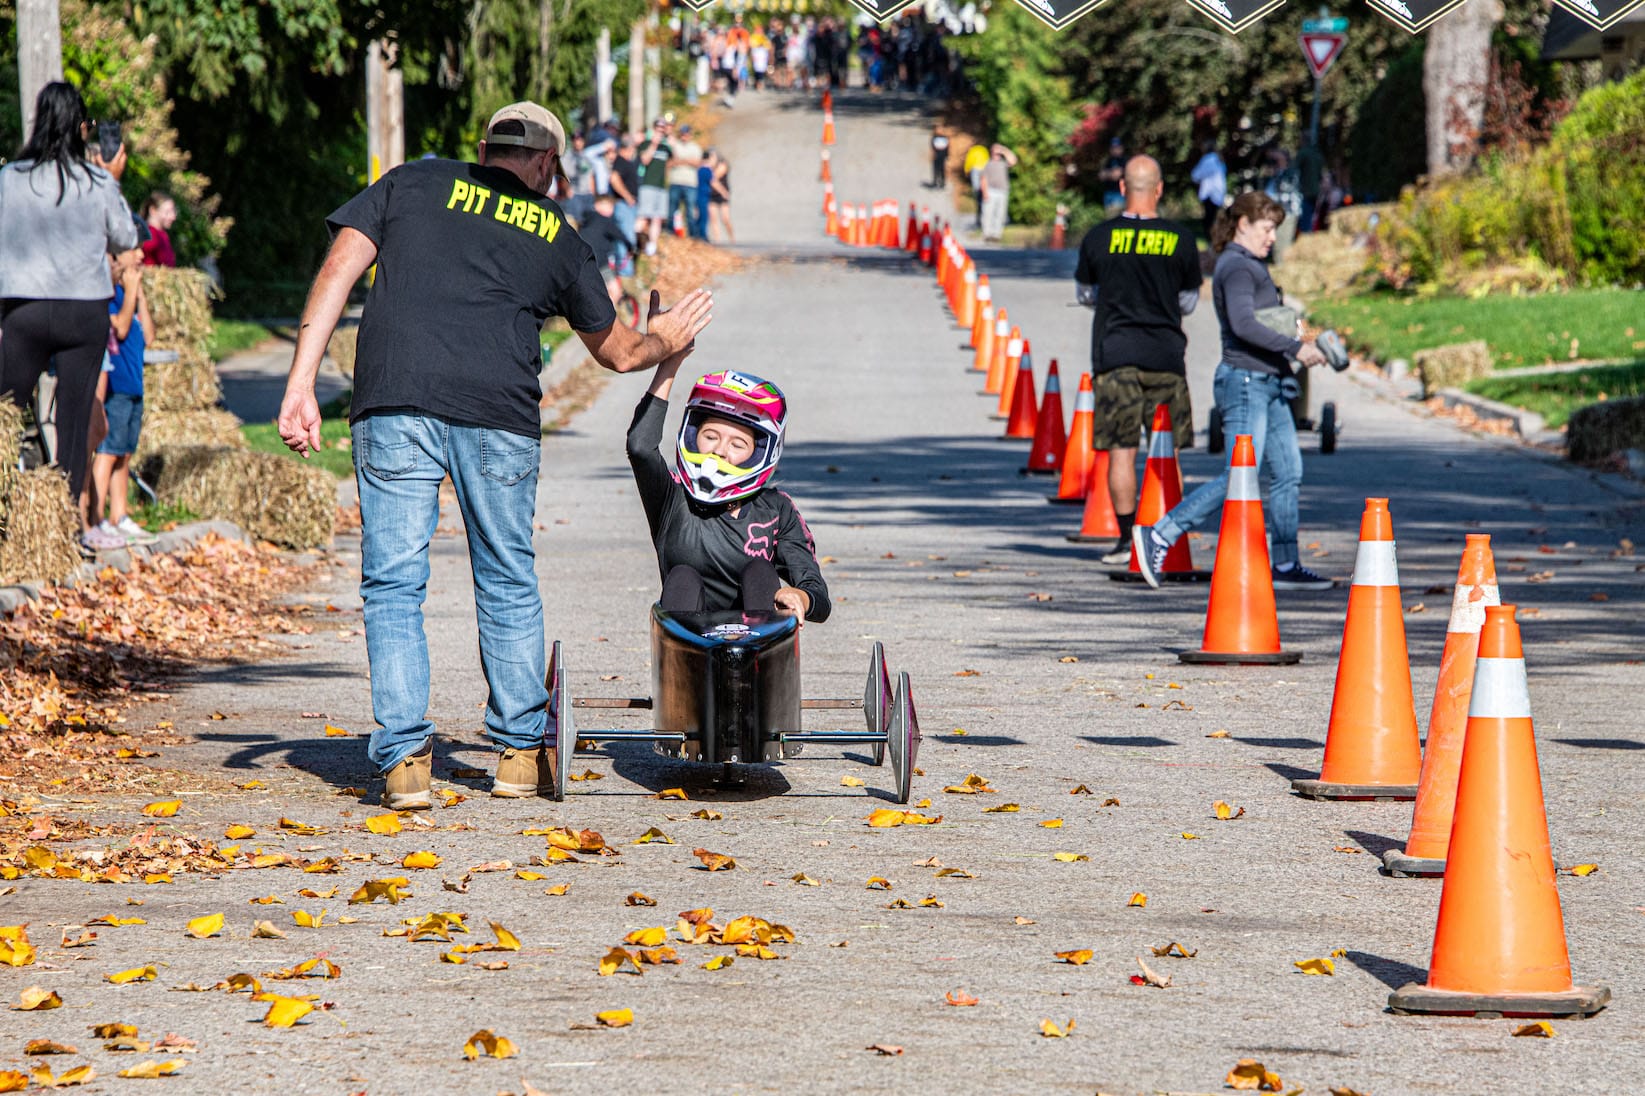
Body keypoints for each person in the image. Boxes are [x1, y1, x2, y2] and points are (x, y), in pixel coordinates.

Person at [276, 100, 713, 810]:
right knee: (506, 576)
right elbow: (618, 353)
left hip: (394, 399)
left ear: (485, 150)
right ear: (544, 162)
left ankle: (405, 765)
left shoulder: (410, 184)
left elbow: (337, 270)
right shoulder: (559, 235)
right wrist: (665, 340)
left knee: (392, 585)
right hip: (497, 416)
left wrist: (300, 383)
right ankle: (515, 755)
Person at [1133, 191, 1333, 592]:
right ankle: (1160, 533)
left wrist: (1304, 336)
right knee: (1239, 475)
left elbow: (1266, 321)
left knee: (1288, 471)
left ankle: (1285, 562)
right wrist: (1296, 348)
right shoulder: (1238, 267)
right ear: (1243, 224)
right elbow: (1243, 325)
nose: (1273, 236)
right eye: (1267, 228)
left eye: (1275, 228)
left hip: (1269, 382)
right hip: (1246, 383)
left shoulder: (1248, 266)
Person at [0, 82, 140, 549]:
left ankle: (5, 514)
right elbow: (124, 237)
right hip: (84, 311)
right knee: (75, 419)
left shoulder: (10, 177)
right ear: (82, 127)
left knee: (6, 413)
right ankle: (64, 528)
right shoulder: (96, 182)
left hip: (23, 307)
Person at [1073, 156, 1203, 566]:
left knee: (1122, 451)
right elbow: (1189, 301)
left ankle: (1129, 539)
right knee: (1168, 453)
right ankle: (1168, 538)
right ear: (1159, 189)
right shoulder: (1181, 240)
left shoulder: (1098, 237)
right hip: (1166, 355)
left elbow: (1085, 295)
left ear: (1123, 186)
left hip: (1116, 356)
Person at [628, 360, 829, 624]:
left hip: (757, 649)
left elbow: (817, 594)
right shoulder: (672, 498)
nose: (720, 450)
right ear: (693, 436)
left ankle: (757, 662)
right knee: (683, 578)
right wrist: (670, 363)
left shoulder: (775, 509)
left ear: (758, 454)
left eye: (737, 444)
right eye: (710, 436)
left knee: (760, 572)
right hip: (689, 647)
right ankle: (686, 662)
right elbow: (641, 448)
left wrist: (799, 597)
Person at [90, 246, 156, 546]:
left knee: (125, 452)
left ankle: (120, 515)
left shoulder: (129, 291)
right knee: (108, 452)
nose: (141, 255)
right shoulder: (109, 293)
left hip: (133, 384)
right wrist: (129, 293)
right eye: (135, 249)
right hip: (115, 383)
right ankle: (96, 518)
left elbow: (149, 336)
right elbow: (120, 329)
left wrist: (139, 294)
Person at [578, 191, 636, 309]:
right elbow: (620, 235)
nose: (612, 211)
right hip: (599, 262)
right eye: (610, 206)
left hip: (582, 262)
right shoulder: (604, 221)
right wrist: (631, 248)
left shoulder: (585, 222)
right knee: (615, 291)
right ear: (599, 205)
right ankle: (609, 324)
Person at [637, 115, 673, 256]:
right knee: (644, 216)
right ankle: (636, 243)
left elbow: (672, 160)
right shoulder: (646, 144)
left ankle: (652, 246)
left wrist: (671, 141)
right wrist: (654, 144)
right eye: (658, 128)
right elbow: (645, 160)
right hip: (648, 184)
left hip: (661, 186)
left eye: (663, 128)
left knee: (657, 218)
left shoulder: (666, 147)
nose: (660, 131)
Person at [668, 124, 705, 241]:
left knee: (690, 211)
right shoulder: (674, 146)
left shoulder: (695, 148)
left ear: (690, 135)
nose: (684, 136)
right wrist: (687, 160)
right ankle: (670, 233)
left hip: (690, 184)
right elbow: (670, 163)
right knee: (672, 209)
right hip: (676, 181)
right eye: (683, 134)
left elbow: (698, 163)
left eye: (686, 134)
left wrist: (681, 160)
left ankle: (692, 235)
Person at [608, 135, 641, 261]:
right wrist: (628, 197)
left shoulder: (625, 161)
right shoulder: (621, 161)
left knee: (627, 236)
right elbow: (614, 179)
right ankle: (625, 270)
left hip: (627, 206)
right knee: (626, 238)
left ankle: (625, 269)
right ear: (628, 148)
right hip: (624, 205)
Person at [978, 143, 1017, 242]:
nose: (997, 154)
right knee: (988, 213)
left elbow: (1013, 160)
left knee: (1000, 214)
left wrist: (1004, 150)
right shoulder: (987, 164)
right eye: (996, 152)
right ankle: (987, 234)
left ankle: (996, 234)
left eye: (999, 153)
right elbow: (983, 179)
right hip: (991, 191)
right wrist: (985, 192)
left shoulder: (1003, 163)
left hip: (1002, 191)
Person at [1191, 140, 1227, 239]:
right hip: (1219, 192)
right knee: (1214, 216)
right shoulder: (1219, 160)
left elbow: (1195, 175)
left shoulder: (1207, 159)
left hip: (1209, 193)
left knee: (1209, 218)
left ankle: (1210, 236)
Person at [141, 193, 178, 267]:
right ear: (153, 210)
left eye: (173, 212)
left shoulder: (162, 234)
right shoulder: (149, 234)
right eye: (167, 212)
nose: (173, 217)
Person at [708, 152, 733, 243]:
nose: (711, 159)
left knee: (725, 218)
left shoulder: (723, 165)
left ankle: (732, 239)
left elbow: (713, 178)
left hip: (723, 195)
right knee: (713, 218)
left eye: (712, 157)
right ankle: (717, 241)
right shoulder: (708, 167)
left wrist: (723, 192)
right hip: (712, 195)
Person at [1099, 138, 1126, 216]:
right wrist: (1111, 173)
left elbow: (1116, 175)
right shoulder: (1108, 161)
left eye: (1117, 147)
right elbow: (1101, 176)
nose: (1115, 150)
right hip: (1108, 194)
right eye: (1113, 148)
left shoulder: (1124, 161)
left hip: (1119, 194)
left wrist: (1108, 174)